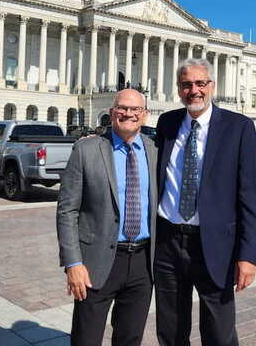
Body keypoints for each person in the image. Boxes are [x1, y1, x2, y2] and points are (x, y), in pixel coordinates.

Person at [154, 58, 256, 346]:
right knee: (171, 328)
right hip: (168, 241)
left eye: (200, 83)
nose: (194, 90)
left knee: (218, 331)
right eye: (187, 84)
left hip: (214, 244)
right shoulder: (167, 123)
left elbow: (251, 196)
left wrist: (248, 255)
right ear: (179, 89)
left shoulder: (238, 127)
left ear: (211, 86)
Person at [56, 89, 157, 346]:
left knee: (130, 338)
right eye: (122, 108)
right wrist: (73, 263)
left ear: (144, 115)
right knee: (86, 337)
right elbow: (67, 210)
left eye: (135, 110)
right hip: (95, 262)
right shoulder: (87, 149)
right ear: (112, 113)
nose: (128, 114)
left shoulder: (155, 150)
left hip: (142, 263)